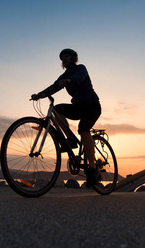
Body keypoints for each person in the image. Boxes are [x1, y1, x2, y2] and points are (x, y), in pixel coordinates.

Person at [31, 48, 102, 186]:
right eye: (62, 57)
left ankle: (93, 169)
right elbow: (53, 87)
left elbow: (78, 78)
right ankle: (70, 139)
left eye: (67, 56)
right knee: (57, 109)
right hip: (78, 107)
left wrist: (69, 80)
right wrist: (39, 95)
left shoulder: (80, 68)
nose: (64, 59)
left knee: (83, 129)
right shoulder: (63, 76)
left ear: (73, 58)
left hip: (92, 105)